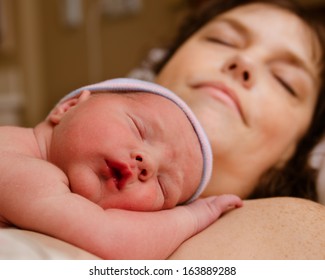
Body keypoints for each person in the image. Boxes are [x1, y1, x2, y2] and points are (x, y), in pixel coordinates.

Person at [145, 0, 325, 258]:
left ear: (293, 151)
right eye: (222, 40)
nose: (244, 61)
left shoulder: (306, 236)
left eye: (285, 81)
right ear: (162, 67)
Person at [0, 78, 242, 260]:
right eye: (139, 129)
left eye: (163, 186)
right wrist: (194, 216)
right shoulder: (25, 170)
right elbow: (112, 239)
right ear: (68, 107)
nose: (148, 163)